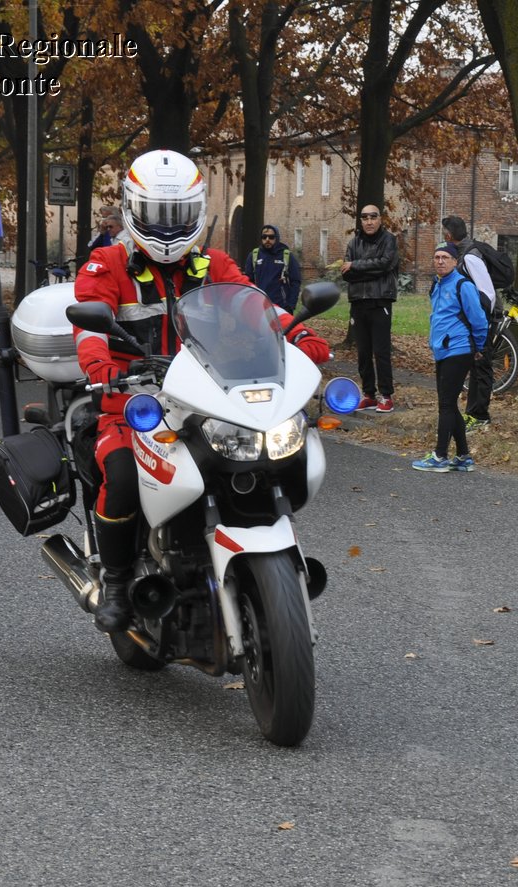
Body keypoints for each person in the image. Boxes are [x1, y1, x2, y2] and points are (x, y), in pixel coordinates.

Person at [74, 149, 331, 632]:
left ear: (195, 211)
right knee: (122, 472)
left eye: (179, 214)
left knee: (260, 456)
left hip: (204, 396)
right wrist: (100, 366)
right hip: (133, 400)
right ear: (133, 209)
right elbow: (88, 326)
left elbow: (255, 307)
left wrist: (294, 334)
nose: (168, 227)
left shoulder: (212, 261)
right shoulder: (106, 263)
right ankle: (115, 578)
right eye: (157, 214)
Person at [412, 243, 487, 473]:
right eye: (437, 257)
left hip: (459, 348)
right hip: (442, 350)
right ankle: (463, 456)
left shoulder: (463, 285)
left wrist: (479, 346)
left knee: (445, 404)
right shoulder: (436, 284)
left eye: (445, 257)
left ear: (455, 261)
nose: (440, 261)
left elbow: (479, 319)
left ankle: (440, 455)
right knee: (449, 403)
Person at [342, 204, 400, 413]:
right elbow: (346, 274)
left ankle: (386, 396)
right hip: (358, 302)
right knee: (363, 352)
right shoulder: (353, 243)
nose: (369, 221)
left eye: (373, 217)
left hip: (380, 301)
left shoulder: (389, 241)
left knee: (381, 351)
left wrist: (357, 266)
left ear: (380, 219)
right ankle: (369, 394)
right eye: (364, 217)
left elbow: (385, 265)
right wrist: (369, 270)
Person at [440, 215, 495, 429]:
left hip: (480, 321)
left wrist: (482, 321)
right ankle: (473, 412)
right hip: (469, 322)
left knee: (481, 367)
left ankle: (479, 415)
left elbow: (487, 293)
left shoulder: (471, 257)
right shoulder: (460, 254)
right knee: (473, 365)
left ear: (448, 235)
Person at [243, 223, 302, 312]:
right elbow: (248, 282)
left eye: (271, 237)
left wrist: (291, 305)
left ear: (276, 238)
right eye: (264, 237)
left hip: (281, 307)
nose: (267, 239)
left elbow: (296, 282)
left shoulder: (286, 256)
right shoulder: (254, 256)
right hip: (259, 306)